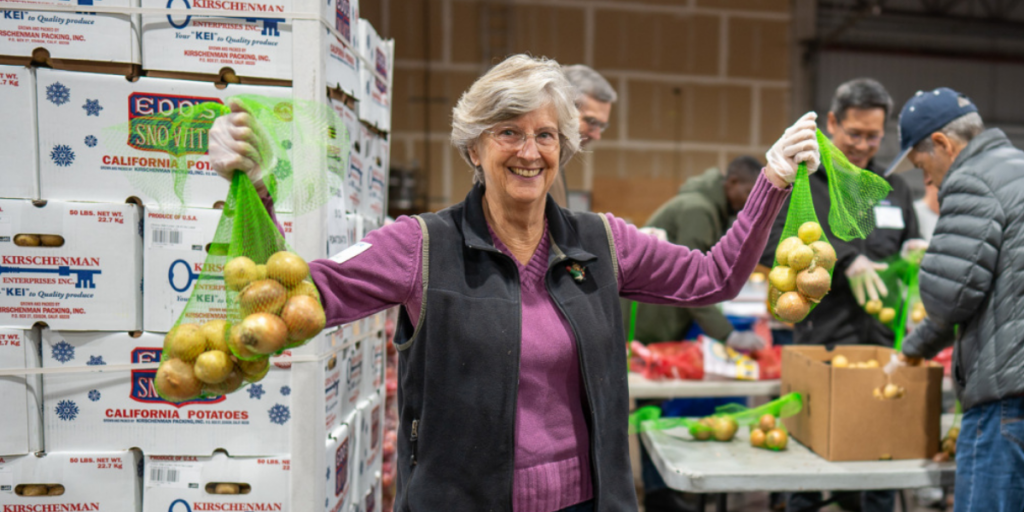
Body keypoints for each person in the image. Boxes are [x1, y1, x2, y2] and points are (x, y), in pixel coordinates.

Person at [208, 54, 819, 512]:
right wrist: (253, 187)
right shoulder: (421, 246)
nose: (529, 151)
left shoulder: (602, 242)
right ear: (474, 145)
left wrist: (772, 179)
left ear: (564, 148)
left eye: (546, 135)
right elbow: (296, 301)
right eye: (509, 131)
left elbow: (713, 277)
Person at [758, 78, 923, 512]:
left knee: (879, 458)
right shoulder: (804, 179)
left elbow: (909, 241)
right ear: (832, 123)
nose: (863, 145)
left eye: (873, 135)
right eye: (854, 133)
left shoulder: (893, 187)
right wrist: (845, 260)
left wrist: (914, 255)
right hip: (821, 340)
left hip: (883, 344)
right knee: (809, 460)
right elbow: (767, 242)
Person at [892, 88, 1024, 512]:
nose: (927, 181)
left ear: (943, 144)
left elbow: (948, 297)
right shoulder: (1017, 170)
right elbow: (986, 289)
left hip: (1007, 398)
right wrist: (913, 350)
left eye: (922, 166)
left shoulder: (972, 180)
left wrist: (928, 259)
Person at [634, 156, 767, 348]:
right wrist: (728, 335)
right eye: (748, 193)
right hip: (648, 320)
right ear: (732, 182)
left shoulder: (710, 210)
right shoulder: (698, 211)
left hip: (656, 311)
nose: (749, 202)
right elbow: (691, 281)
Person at [549, 64, 617, 207]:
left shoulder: (556, 161)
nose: (597, 135)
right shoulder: (534, 160)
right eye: (592, 122)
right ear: (563, 108)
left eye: (602, 126)